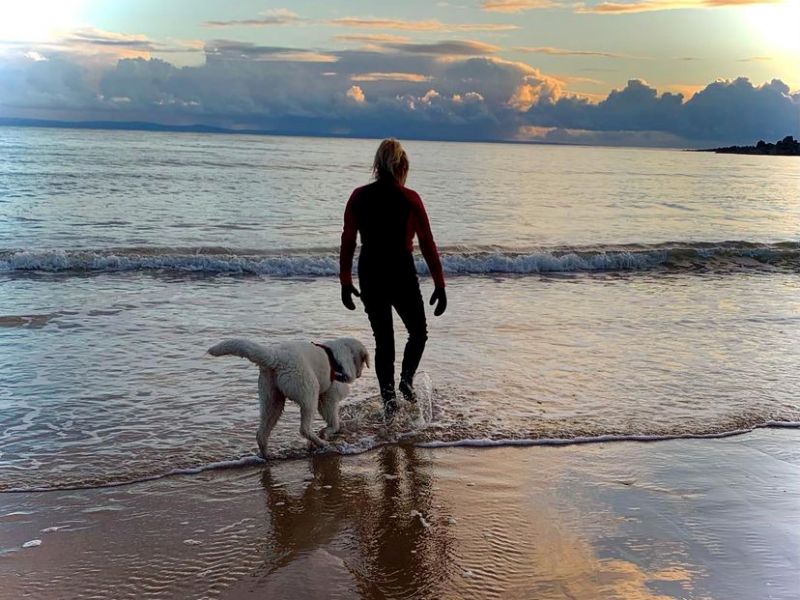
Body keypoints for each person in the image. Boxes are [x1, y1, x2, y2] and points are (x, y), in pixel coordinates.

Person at [339, 139, 447, 416]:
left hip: (370, 270)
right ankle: (406, 381)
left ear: (377, 166)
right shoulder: (410, 199)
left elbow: (348, 241)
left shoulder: (358, 196)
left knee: (384, 339)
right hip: (400, 269)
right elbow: (427, 242)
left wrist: (346, 281)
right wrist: (439, 283)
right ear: (402, 166)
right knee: (418, 332)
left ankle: (389, 400)